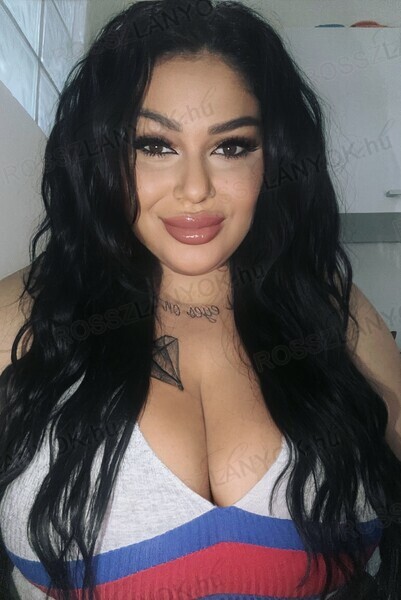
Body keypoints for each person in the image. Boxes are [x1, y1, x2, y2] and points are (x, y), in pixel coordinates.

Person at [0, 0, 400, 598]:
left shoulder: (330, 304)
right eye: (154, 145)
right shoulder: (19, 314)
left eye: (231, 147)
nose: (195, 189)